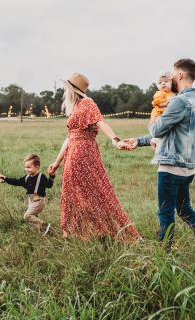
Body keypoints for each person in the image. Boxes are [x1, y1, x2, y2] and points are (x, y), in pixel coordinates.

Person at [120, 59, 195, 257]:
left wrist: (155, 114)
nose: (171, 78)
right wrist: (139, 141)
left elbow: (157, 128)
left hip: (171, 167)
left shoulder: (179, 101)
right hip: (187, 167)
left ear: (180, 75)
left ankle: (163, 256)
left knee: (166, 212)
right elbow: (170, 134)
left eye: (173, 75)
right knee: (184, 210)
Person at [47, 72, 141, 241]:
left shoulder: (87, 103)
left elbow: (101, 122)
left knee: (95, 192)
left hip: (83, 153)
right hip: (73, 153)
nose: (64, 92)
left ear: (72, 90)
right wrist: (56, 162)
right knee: (74, 193)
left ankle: (101, 230)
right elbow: (69, 138)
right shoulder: (76, 108)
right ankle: (78, 232)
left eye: (66, 89)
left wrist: (115, 140)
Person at [0, 154, 53, 235]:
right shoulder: (27, 178)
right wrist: (6, 179)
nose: (26, 169)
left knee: (27, 216)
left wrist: (52, 176)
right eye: (25, 167)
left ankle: (45, 226)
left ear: (37, 167)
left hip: (39, 201)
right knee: (33, 217)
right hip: (31, 201)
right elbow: (17, 181)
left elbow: (49, 185)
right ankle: (41, 232)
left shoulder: (41, 177)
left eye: (29, 167)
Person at [150, 71, 175, 155]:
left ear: (172, 83)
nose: (163, 84)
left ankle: (155, 141)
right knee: (161, 130)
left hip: (166, 116)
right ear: (157, 85)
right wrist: (168, 103)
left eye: (166, 81)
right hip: (158, 116)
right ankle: (156, 145)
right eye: (160, 83)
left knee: (166, 133)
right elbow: (158, 103)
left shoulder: (172, 94)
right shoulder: (159, 93)